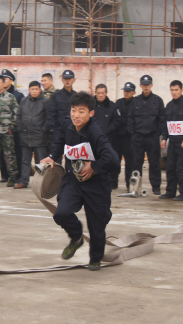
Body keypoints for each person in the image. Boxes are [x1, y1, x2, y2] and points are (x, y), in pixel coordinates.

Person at [40, 91, 119, 271]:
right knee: (61, 213)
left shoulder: (95, 133)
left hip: (96, 184)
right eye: (74, 110)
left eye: (81, 111)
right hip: (73, 179)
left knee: (96, 225)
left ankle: (95, 258)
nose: (76, 115)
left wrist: (94, 167)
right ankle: (76, 237)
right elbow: (59, 141)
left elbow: (112, 159)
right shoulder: (67, 124)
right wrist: (53, 156)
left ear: (91, 113)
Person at [127, 75, 165, 195]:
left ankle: (156, 187)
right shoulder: (135, 101)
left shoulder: (157, 101)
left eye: (148, 84)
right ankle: (135, 187)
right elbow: (130, 119)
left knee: (154, 163)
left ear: (151, 85)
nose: (146, 87)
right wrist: (133, 134)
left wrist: (158, 134)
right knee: (136, 163)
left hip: (152, 137)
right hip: (137, 137)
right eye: (144, 85)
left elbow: (161, 119)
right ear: (140, 86)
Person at [15, 81, 49, 189]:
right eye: (32, 89)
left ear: (40, 90)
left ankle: (41, 182)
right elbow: (18, 115)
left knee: (41, 161)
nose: (34, 91)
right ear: (29, 90)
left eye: (36, 89)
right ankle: (23, 181)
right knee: (25, 160)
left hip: (39, 136)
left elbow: (48, 118)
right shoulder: (24, 101)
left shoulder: (45, 101)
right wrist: (20, 129)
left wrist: (43, 130)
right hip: (25, 135)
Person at [0, 69, 24, 182]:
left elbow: (20, 113)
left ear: (11, 80)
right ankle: (5, 175)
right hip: (3, 129)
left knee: (16, 152)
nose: (3, 81)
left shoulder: (18, 96)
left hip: (15, 130)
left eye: (6, 79)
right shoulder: (0, 95)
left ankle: (18, 175)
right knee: (3, 152)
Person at [112, 82, 136, 191]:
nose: (126, 93)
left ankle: (128, 184)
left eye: (129, 91)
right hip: (117, 137)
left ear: (133, 92)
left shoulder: (136, 103)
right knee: (115, 160)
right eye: (125, 91)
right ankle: (113, 182)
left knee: (129, 162)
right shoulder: (119, 103)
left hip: (129, 137)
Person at [46, 70, 77, 146]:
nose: (67, 81)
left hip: (72, 131)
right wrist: (52, 130)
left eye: (69, 79)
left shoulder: (76, 96)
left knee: (71, 157)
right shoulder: (56, 95)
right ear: (62, 80)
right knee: (56, 156)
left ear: (73, 80)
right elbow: (50, 113)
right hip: (58, 132)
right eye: (65, 79)